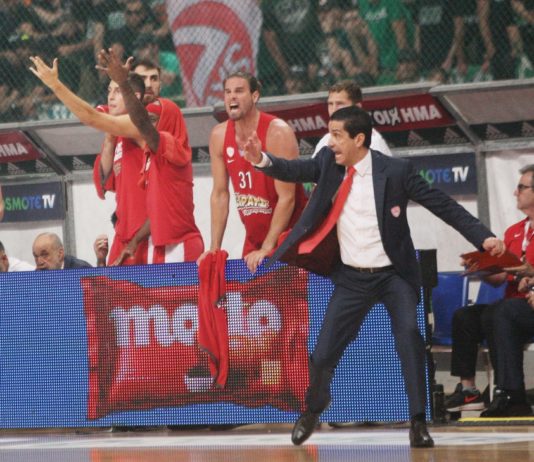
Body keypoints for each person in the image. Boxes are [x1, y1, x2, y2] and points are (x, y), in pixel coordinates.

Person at [242, 105, 505, 447]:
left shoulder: (395, 171)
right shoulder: (328, 162)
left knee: (409, 339)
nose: (330, 142)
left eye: (337, 135)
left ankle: (418, 422)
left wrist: (482, 237)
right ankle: (314, 407)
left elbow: (444, 206)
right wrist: (261, 158)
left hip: (394, 275)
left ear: (359, 139)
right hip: (352, 277)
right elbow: (294, 169)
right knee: (323, 353)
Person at [29, 53, 203, 264]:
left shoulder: (162, 111)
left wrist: (56, 85)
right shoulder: (118, 128)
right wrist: (110, 132)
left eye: (153, 79)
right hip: (130, 237)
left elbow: (93, 117)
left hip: (167, 238)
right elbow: (104, 177)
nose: (149, 85)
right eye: (109, 90)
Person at [444, 165, 534, 414]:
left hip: (525, 307)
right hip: (513, 306)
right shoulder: (514, 232)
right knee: (465, 316)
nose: (515, 193)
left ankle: (512, 394)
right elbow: (501, 277)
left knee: (501, 312)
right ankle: (469, 391)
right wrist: (481, 269)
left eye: (521, 187)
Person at [199, 71, 307, 273]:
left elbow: (287, 198)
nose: (232, 97)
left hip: (290, 238)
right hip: (255, 242)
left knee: (292, 295)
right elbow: (220, 194)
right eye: (228, 92)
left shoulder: (278, 132)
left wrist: (267, 247)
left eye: (239, 91)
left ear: (255, 96)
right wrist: (214, 248)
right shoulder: (219, 135)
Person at [94, 73, 149, 266]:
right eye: (109, 91)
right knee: (107, 283)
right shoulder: (115, 135)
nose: (111, 96)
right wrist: (110, 136)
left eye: (117, 91)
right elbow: (104, 178)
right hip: (123, 233)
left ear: (135, 96)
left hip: (145, 233)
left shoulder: (141, 127)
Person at [313, 80, 391, 157]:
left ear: (357, 107)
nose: (333, 109)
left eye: (340, 104)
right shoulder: (325, 140)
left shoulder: (373, 141)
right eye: (330, 104)